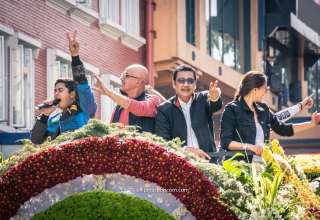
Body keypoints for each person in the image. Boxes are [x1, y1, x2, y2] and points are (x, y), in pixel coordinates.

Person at [220, 71, 320, 162]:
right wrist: (250, 147)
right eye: (265, 88)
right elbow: (226, 142)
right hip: (239, 168)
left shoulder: (264, 110)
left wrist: (311, 123)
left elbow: (284, 129)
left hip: (262, 167)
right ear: (255, 90)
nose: (266, 91)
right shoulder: (232, 109)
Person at [31, 31, 97, 144]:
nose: (56, 93)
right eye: (55, 90)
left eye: (60, 90)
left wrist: (75, 56)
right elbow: (36, 140)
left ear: (72, 94)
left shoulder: (83, 108)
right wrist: (44, 116)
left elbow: (82, 83)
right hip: (59, 160)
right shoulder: (53, 119)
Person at [155, 65, 222, 160]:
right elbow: (163, 141)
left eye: (190, 81)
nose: (186, 84)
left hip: (208, 161)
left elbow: (215, 105)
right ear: (174, 84)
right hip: (181, 164)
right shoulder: (164, 109)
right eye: (181, 80)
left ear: (195, 85)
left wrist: (215, 98)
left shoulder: (203, 98)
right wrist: (186, 150)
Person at [93, 65, 162, 133]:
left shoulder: (153, 100)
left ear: (138, 82)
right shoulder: (119, 107)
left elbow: (139, 108)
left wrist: (108, 92)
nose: (121, 78)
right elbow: (111, 131)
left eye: (125, 75)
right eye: (122, 75)